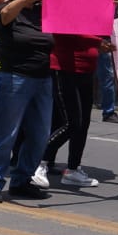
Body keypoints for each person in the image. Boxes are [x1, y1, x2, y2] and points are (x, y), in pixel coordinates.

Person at [0, 0, 53, 203]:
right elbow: (2, 17)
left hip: (42, 79)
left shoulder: (43, 12)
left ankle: (22, 180)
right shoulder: (6, 9)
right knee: (5, 133)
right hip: (12, 78)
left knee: (40, 134)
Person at [39, 28, 107, 189]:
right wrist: (97, 42)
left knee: (83, 124)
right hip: (65, 68)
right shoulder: (66, 5)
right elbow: (64, 31)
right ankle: (38, 162)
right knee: (71, 123)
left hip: (87, 69)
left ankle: (73, 169)